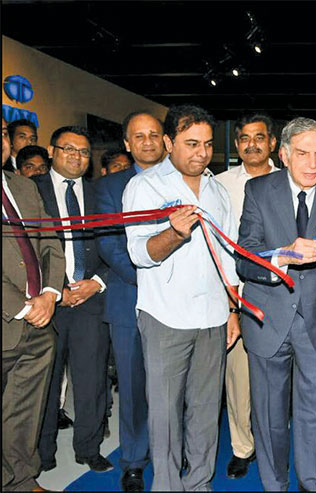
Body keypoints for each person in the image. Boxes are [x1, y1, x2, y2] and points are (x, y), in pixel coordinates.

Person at [236, 117, 316, 491]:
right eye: (303, 154)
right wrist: (282, 257)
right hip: (267, 318)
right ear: (285, 154)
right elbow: (245, 258)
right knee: (269, 415)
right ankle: (275, 485)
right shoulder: (258, 190)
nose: (313, 163)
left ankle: (313, 484)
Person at [123, 105, 240, 491]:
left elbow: (228, 255)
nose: (202, 153)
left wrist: (232, 310)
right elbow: (139, 253)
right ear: (169, 143)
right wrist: (174, 233)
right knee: (166, 415)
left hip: (213, 315)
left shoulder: (217, 189)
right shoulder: (145, 187)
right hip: (165, 316)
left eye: (207, 144)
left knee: (206, 412)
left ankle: (199, 483)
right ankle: (168, 486)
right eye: (191, 144)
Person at [33, 126, 112, 473]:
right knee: (45, 382)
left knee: (91, 379)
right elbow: (24, 249)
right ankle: (42, 452)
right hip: (45, 302)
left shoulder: (100, 194)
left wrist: (96, 283)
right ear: (52, 151)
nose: (76, 157)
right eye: (68, 149)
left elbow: (117, 243)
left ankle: (89, 448)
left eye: (83, 151)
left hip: (91, 299)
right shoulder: (30, 190)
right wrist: (54, 289)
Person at [95, 110, 166, 491]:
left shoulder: (184, 180)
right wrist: (150, 279)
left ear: (165, 139)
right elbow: (109, 245)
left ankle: (172, 450)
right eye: (139, 136)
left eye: (154, 134)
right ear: (127, 143)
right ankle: (135, 459)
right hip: (130, 298)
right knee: (134, 386)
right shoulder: (110, 188)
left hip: (178, 303)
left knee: (173, 386)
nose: (148, 142)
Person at [2, 117, 65, 492]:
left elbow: (50, 243)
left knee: (24, 413)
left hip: (39, 324)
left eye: (2, 133)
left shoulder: (23, 186)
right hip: (10, 316)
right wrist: (24, 306)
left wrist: (50, 293)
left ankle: (22, 481)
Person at [215, 113, 278, 479]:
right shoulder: (219, 185)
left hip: (280, 293)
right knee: (238, 376)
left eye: (259, 137)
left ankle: (273, 440)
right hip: (235, 292)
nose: (252, 144)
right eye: (244, 138)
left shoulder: (290, 180)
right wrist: (229, 300)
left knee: (276, 377)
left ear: (272, 143)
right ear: (237, 144)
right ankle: (243, 446)